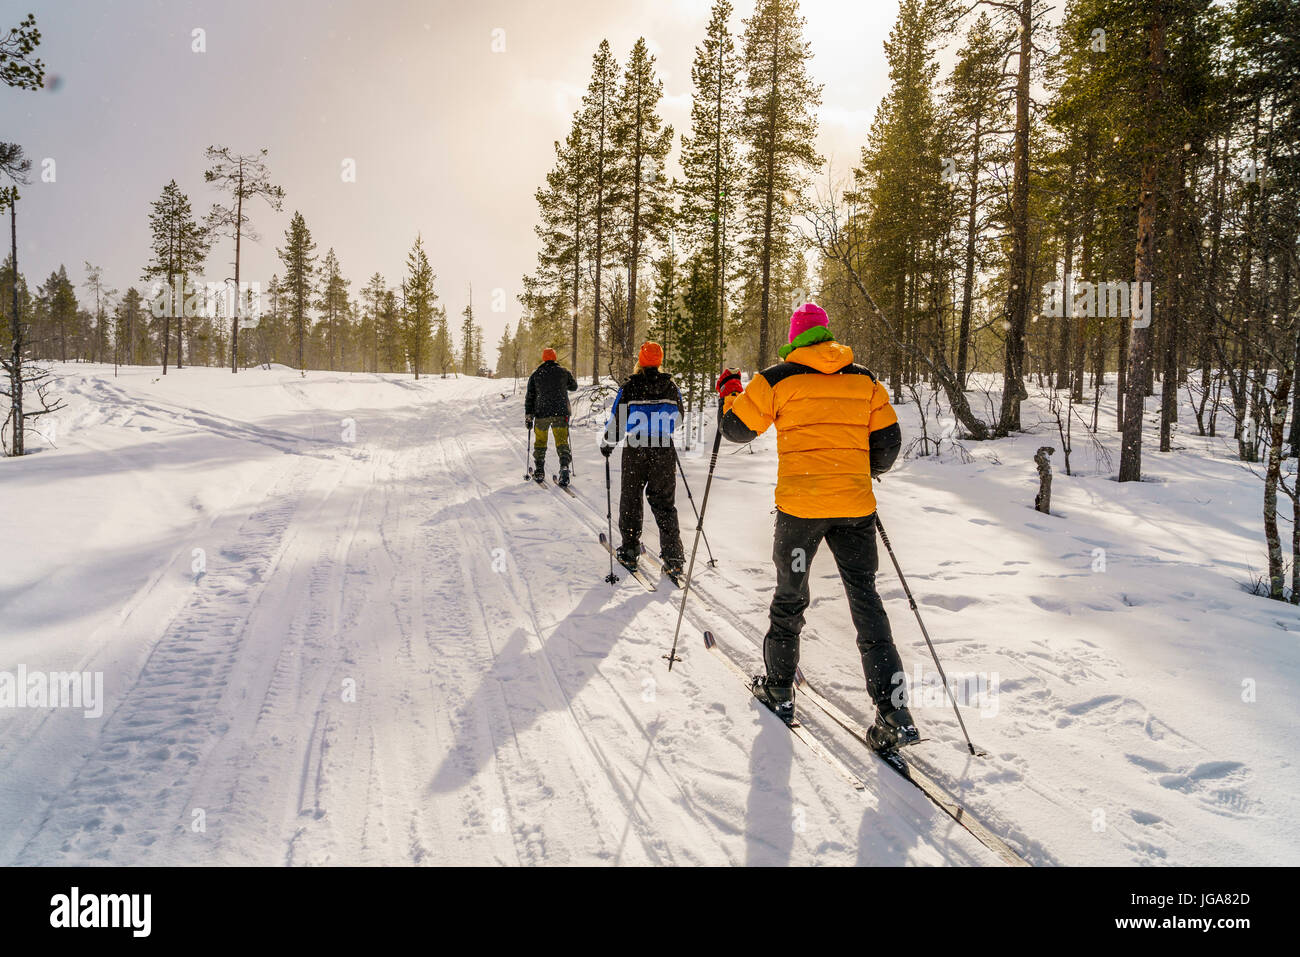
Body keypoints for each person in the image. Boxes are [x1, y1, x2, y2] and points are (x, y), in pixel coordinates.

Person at [714, 302, 915, 751]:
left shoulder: (777, 378)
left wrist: (729, 390)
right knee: (866, 600)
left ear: (794, 338)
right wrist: (858, 470)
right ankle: (893, 710)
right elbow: (887, 445)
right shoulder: (864, 379)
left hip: (801, 511)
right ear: (826, 336)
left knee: (791, 596)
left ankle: (780, 688)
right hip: (854, 509)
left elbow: (737, 430)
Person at [600, 342, 686, 580]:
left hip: (636, 447)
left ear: (640, 360)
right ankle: (674, 557)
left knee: (631, 497)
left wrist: (607, 443)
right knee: (664, 503)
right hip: (663, 449)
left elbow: (617, 419)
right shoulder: (671, 387)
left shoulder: (630, 387)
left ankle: (629, 549)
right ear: (660, 361)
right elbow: (679, 418)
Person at [525, 347, 578, 486]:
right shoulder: (563, 372)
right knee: (562, 442)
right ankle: (565, 468)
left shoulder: (536, 374)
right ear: (555, 358)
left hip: (541, 414)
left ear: (543, 358)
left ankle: (540, 470)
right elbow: (574, 387)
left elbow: (530, 397)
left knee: (540, 442)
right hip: (560, 413)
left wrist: (529, 415)